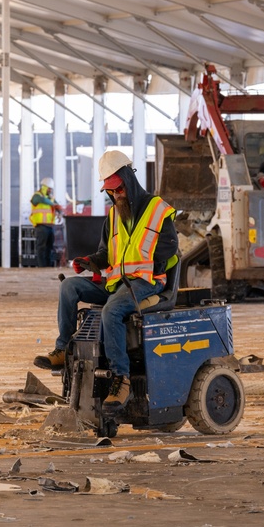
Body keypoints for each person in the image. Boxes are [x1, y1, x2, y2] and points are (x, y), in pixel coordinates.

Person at [33, 150, 178, 411]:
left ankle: (120, 379)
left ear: (128, 179)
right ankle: (62, 348)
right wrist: (91, 262)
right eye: (110, 191)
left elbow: (169, 249)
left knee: (112, 311)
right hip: (117, 283)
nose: (116, 194)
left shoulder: (157, 209)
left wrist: (139, 269)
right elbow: (106, 253)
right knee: (69, 287)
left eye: (119, 188)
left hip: (146, 281)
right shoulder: (113, 216)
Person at [30, 177, 64, 267]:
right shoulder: (37, 196)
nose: (50, 190)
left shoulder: (51, 199)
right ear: (44, 187)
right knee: (41, 247)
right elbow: (42, 200)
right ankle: (42, 266)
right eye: (49, 188)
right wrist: (53, 204)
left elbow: (58, 206)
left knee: (49, 247)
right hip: (41, 226)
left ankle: (48, 266)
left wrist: (60, 212)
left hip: (50, 226)